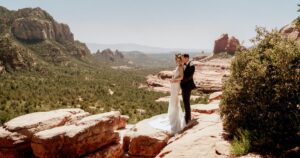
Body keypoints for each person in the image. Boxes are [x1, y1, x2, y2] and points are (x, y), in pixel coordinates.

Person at [168, 54, 185, 134]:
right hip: (174, 85)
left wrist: (174, 80)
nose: (177, 61)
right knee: (173, 100)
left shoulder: (181, 67)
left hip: (176, 85)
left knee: (174, 100)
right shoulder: (178, 67)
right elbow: (176, 75)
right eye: (176, 60)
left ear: (181, 60)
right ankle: (172, 116)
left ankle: (175, 119)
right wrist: (173, 79)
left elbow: (181, 77)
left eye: (179, 60)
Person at [180, 53, 196, 124]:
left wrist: (181, 80)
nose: (182, 59)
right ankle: (187, 116)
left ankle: (187, 118)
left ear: (186, 58)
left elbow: (190, 76)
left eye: (183, 58)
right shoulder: (183, 65)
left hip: (188, 86)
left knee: (186, 102)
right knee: (185, 101)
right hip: (184, 86)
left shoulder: (191, 65)